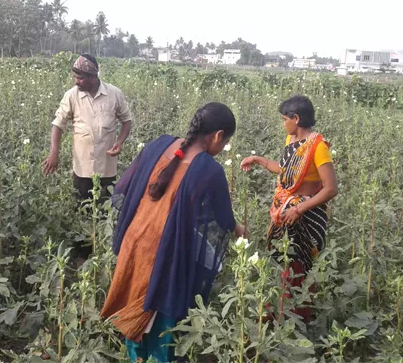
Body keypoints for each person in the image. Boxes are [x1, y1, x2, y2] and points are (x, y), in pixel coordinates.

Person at [100, 102, 248, 362]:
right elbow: (221, 218)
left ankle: (136, 358)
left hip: (134, 244)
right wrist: (239, 230)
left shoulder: (160, 144)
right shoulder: (209, 170)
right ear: (217, 135)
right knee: (162, 319)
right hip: (164, 253)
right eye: (224, 143)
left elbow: (128, 187)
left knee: (133, 310)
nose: (222, 148)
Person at [240, 94, 338, 322]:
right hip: (287, 209)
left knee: (298, 266)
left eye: (285, 119)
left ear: (296, 118)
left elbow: (331, 189)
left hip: (306, 214)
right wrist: (258, 160)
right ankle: (281, 311)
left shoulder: (318, 147)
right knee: (282, 262)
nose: (283, 123)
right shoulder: (291, 141)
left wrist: (299, 209)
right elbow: (284, 171)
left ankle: (299, 317)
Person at [42, 54, 133, 202]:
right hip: (82, 167)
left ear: (93, 76)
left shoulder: (114, 94)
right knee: (81, 208)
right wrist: (54, 153)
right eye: (75, 77)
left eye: (80, 78)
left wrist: (120, 142)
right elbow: (58, 124)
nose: (76, 81)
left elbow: (126, 120)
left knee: (105, 210)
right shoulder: (71, 96)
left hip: (107, 167)